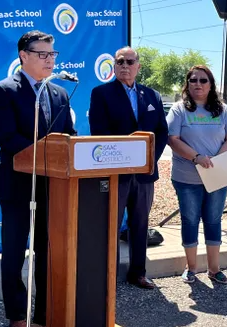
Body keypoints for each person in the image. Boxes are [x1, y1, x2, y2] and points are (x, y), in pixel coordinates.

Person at [0, 30, 76, 327]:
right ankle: (17, 314)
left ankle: (44, 311)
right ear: (24, 56)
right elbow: (9, 139)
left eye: (53, 55)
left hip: (52, 187)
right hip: (17, 187)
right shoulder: (3, 90)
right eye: (43, 55)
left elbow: (69, 138)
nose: (50, 60)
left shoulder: (60, 93)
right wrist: (46, 155)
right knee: (14, 253)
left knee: (47, 250)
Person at [88, 46, 168, 290]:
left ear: (138, 66)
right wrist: (122, 159)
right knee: (110, 225)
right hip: (116, 173)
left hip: (145, 174)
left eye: (129, 61)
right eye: (119, 61)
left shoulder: (152, 95)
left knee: (140, 224)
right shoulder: (101, 93)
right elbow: (99, 133)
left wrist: (150, 160)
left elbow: (162, 132)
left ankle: (138, 273)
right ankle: (108, 276)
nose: (124, 65)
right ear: (114, 66)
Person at [166, 65, 227, 284]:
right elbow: (173, 139)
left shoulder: (223, 110)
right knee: (190, 221)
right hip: (187, 177)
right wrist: (196, 157)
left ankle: (214, 269)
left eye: (203, 80)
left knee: (214, 220)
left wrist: (218, 158)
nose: (198, 84)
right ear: (187, 84)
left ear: (211, 84)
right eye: (193, 80)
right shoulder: (179, 110)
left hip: (217, 176)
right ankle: (191, 268)